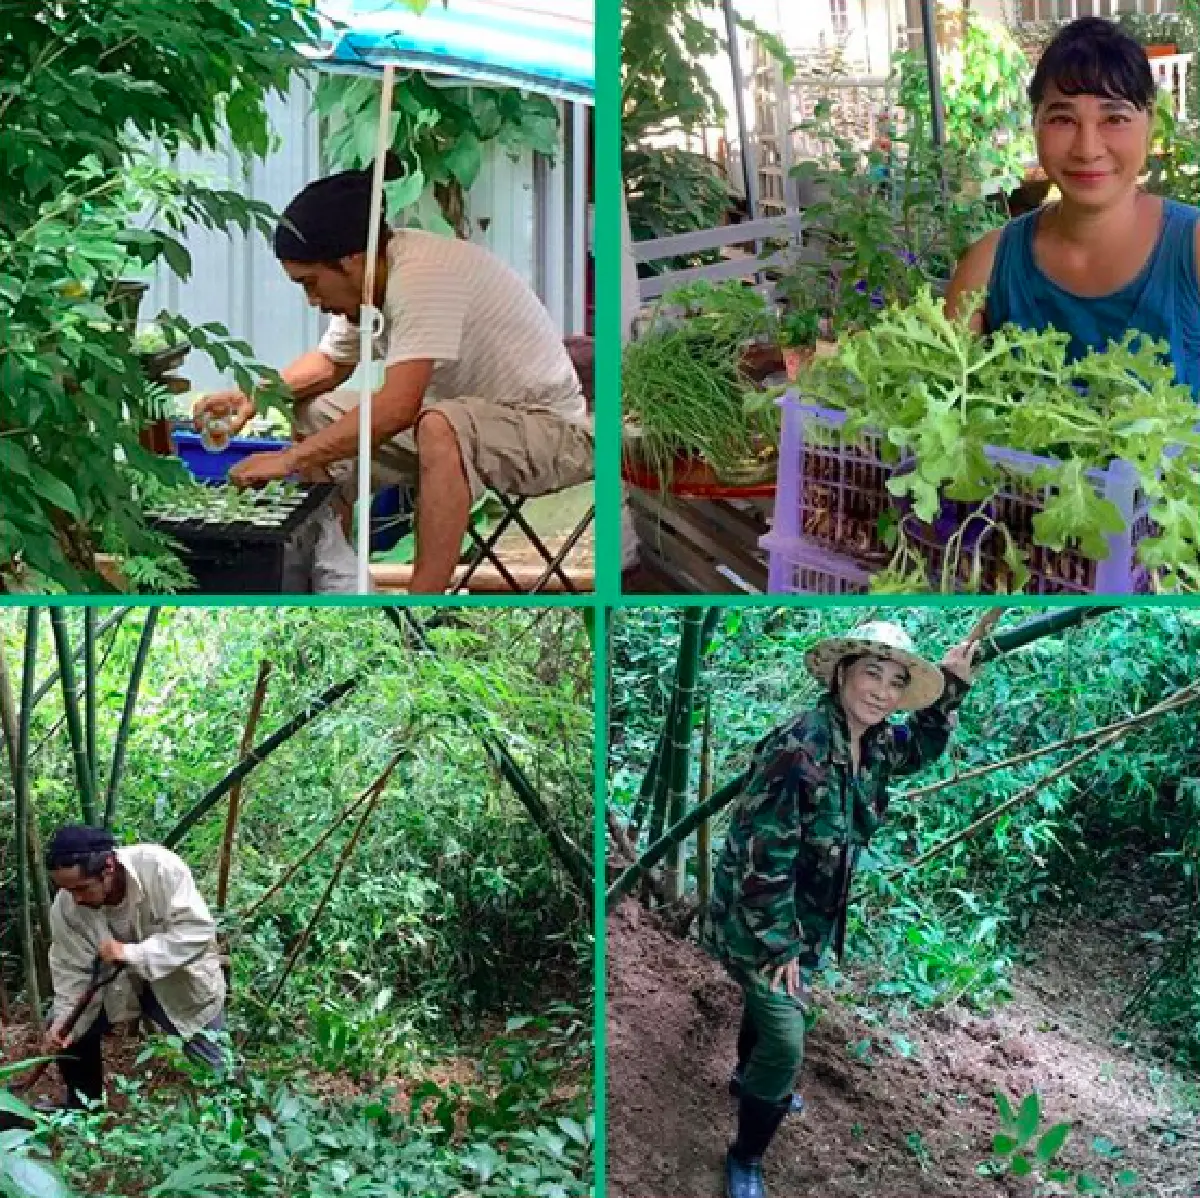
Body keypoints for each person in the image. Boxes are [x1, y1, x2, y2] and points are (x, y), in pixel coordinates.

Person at [192, 155, 594, 594]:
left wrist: (289, 461)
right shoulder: (372, 278)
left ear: (351, 261)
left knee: (441, 426)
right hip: (452, 421)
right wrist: (254, 396)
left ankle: (419, 607)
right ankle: (335, 576)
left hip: (551, 433)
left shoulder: (423, 276)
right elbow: (331, 364)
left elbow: (399, 407)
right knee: (317, 411)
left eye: (309, 282)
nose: (311, 300)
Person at [701, 622, 980, 1198]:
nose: (881, 690)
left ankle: (744, 1077)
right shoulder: (798, 747)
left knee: (772, 1007)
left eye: (895, 681)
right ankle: (746, 1157)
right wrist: (782, 944)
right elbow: (762, 856)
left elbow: (919, 748)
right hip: (759, 915)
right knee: (785, 1036)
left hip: (807, 913)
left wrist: (950, 686)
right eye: (870, 673)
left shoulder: (872, 742)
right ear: (842, 673)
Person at [946, 17, 1200, 396]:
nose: (1087, 149)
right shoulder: (987, 267)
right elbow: (943, 419)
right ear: (1035, 125)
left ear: (1149, 125)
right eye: (1063, 119)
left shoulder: (1192, 250)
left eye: (1114, 118)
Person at [41, 825, 227, 1108]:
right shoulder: (66, 908)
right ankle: (83, 1108)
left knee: (212, 1061)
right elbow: (70, 969)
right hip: (116, 985)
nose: (75, 898)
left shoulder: (159, 868)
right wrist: (64, 1024)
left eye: (82, 888)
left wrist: (132, 954)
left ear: (108, 867)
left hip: (178, 977)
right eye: (67, 890)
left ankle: (230, 1113)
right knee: (66, 1027)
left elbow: (196, 932)